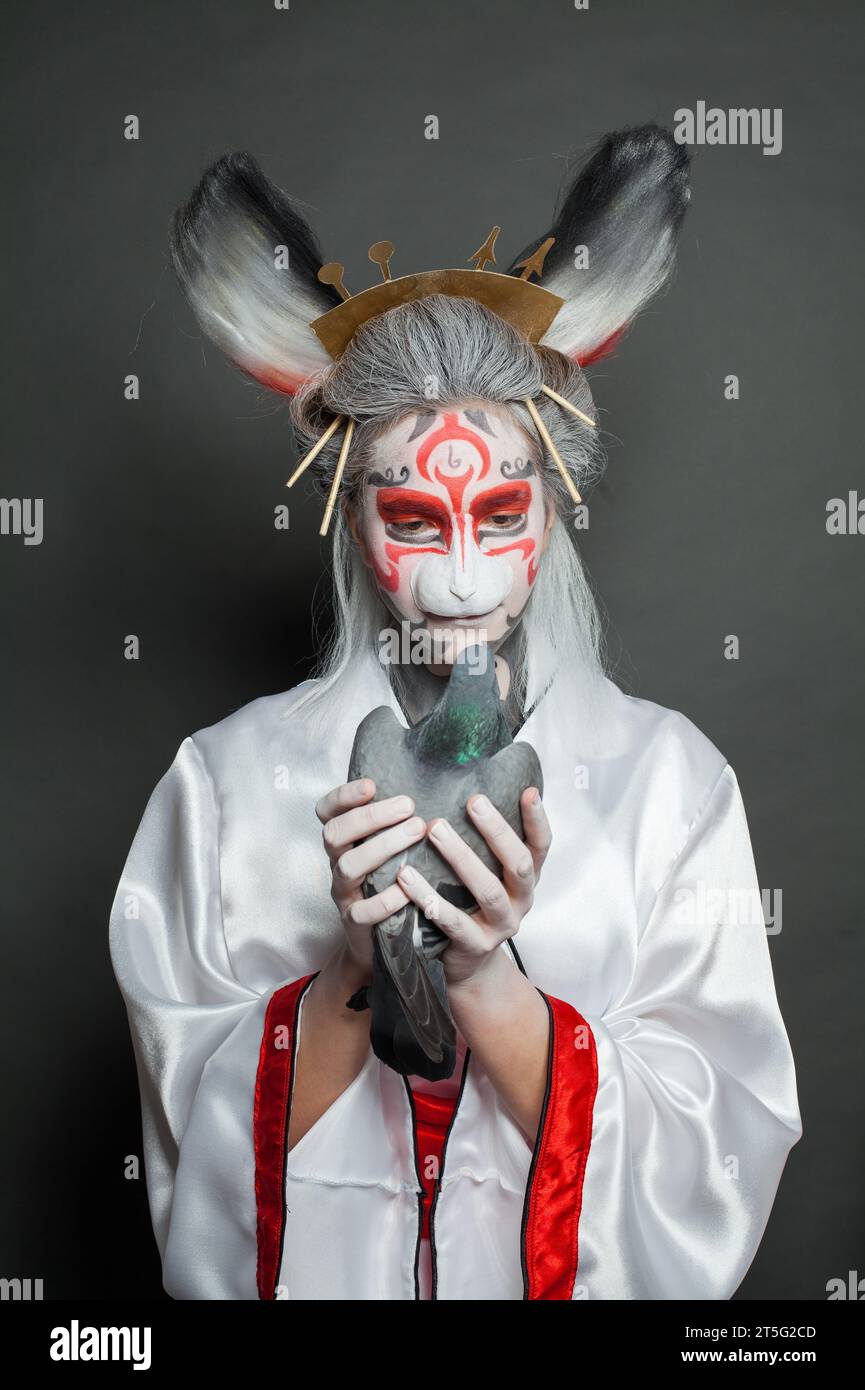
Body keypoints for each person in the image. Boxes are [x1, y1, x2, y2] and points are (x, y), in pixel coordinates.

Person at [110, 125, 801, 1300]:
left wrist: (486, 982)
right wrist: (349, 970)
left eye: (500, 510)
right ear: (354, 521)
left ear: (553, 505)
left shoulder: (669, 785)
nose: (463, 578)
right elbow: (198, 1144)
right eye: (416, 521)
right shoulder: (221, 786)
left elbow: (718, 1135)